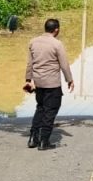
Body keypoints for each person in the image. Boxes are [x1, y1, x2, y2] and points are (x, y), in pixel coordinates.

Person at [24, 18, 74, 150]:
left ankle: (33, 139)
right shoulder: (57, 44)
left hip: (38, 83)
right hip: (52, 84)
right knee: (50, 111)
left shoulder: (33, 42)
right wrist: (69, 80)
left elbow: (30, 63)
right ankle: (43, 141)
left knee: (40, 108)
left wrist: (28, 80)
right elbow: (64, 64)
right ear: (56, 30)